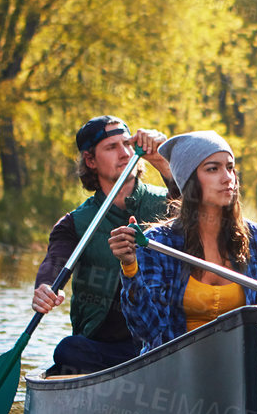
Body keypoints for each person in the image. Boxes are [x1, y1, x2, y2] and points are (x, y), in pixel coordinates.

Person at [109, 130, 257, 350]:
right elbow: (147, 329)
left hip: (243, 361)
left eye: (230, 168)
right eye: (213, 169)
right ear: (189, 181)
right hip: (177, 368)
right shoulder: (157, 243)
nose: (227, 178)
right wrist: (130, 267)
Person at [33, 116, 180, 375]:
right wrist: (45, 287)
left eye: (127, 144)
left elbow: (202, 213)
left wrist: (161, 161)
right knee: (68, 350)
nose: (124, 154)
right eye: (112, 147)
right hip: (107, 349)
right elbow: (54, 262)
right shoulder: (74, 222)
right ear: (90, 161)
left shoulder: (171, 203)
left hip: (165, 341)